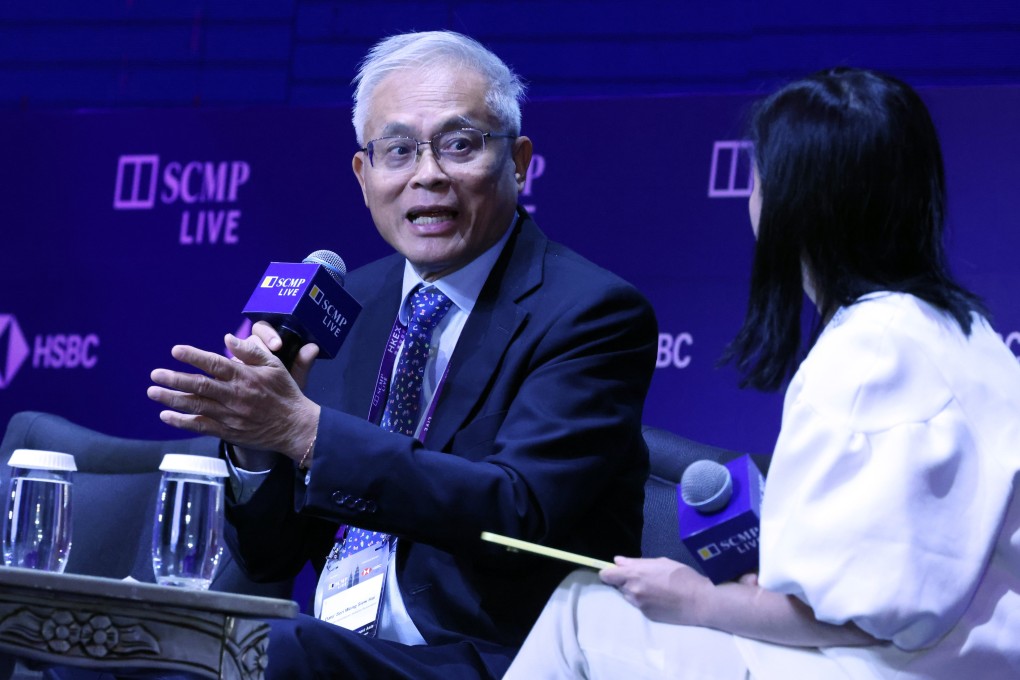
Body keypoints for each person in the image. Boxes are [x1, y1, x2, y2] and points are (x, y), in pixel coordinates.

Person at [147, 30, 657, 680]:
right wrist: (256, 447)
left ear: (519, 161)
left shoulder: (591, 311)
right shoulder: (346, 303)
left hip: (502, 658)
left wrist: (307, 433)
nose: (428, 174)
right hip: (342, 646)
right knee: (129, 644)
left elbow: (517, 518)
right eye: (397, 151)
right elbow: (271, 560)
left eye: (460, 144)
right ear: (364, 176)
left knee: (273, 653)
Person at [503, 67, 1020, 679]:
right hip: (952, 658)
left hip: (885, 670)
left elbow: (856, 616)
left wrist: (700, 600)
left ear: (793, 202)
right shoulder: (959, 330)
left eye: (758, 175)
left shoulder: (873, 354)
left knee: (577, 612)